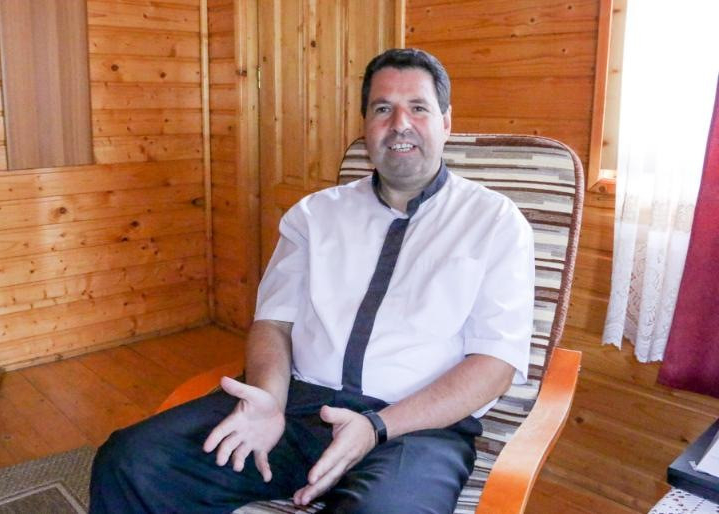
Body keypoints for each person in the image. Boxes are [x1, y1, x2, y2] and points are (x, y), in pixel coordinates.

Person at [89, 48, 534, 514]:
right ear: (366, 125)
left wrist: (377, 427)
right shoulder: (314, 215)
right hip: (295, 409)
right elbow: (273, 323)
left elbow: (495, 364)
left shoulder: (495, 222)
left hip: (414, 429)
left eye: (418, 107)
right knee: (131, 461)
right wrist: (268, 399)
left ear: (446, 122)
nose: (399, 123)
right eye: (383, 108)